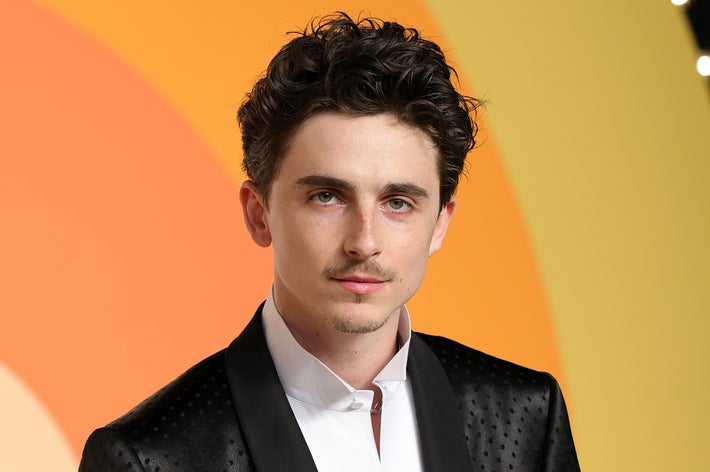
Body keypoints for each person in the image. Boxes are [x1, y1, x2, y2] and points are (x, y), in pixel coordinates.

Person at [79, 12, 579, 472]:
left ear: (440, 223)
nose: (364, 241)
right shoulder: (146, 458)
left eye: (398, 202)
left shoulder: (527, 413)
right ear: (259, 214)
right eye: (327, 196)